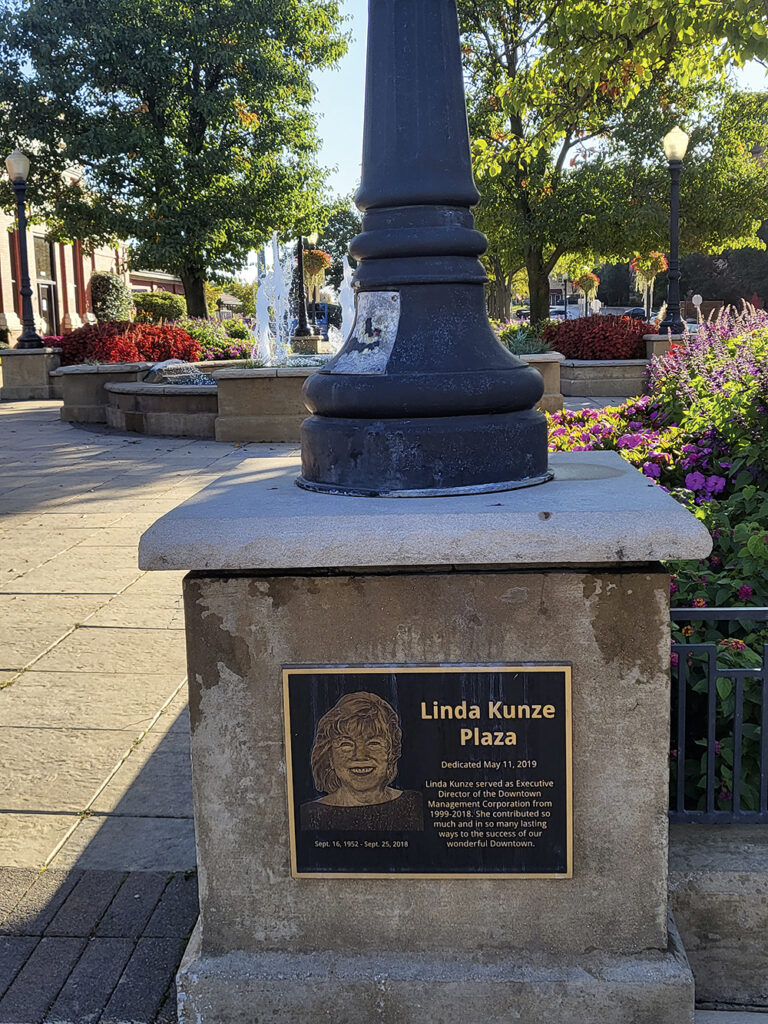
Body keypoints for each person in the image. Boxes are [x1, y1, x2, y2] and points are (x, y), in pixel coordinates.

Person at [299, 691, 423, 831]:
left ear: (391, 754)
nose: (360, 755)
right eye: (346, 744)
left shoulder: (415, 806)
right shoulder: (309, 815)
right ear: (330, 758)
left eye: (373, 743)